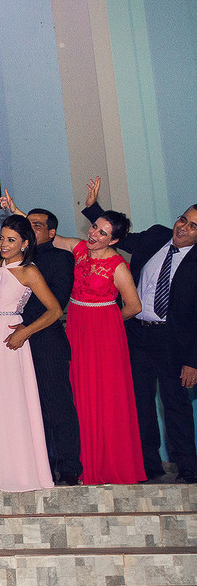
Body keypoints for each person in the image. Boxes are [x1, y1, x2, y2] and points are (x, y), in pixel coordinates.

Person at [4, 181, 145, 484]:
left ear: (115, 239)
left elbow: (133, 306)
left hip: (104, 329)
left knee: (105, 397)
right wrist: (15, 211)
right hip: (77, 326)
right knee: (79, 393)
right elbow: (41, 236)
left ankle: (107, 465)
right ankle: (86, 464)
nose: (94, 234)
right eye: (94, 227)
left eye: (102, 233)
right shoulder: (79, 249)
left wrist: (107, 322)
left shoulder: (118, 265)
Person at [81, 185, 196, 484]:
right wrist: (93, 208)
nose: (183, 227)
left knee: (175, 402)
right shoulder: (157, 235)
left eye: (192, 226)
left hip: (172, 342)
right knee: (139, 401)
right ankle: (148, 464)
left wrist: (193, 361)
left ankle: (187, 466)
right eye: (183, 219)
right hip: (135, 335)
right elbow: (121, 237)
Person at [0, 215, 61, 491]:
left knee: (10, 403)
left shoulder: (29, 271)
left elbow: (54, 310)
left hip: (9, 339)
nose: (4, 244)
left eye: (11, 240)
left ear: (25, 243)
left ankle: (16, 470)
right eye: (2, 238)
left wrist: (25, 331)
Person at [23, 207, 84, 485]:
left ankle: (70, 466)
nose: (30, 229)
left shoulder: (61, 258)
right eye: (27, 225)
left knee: (56, 406)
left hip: (46, 340)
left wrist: (22, 323)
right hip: (15, 342)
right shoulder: (13, 258)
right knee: (28, 407)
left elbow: (56, 302)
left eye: (36, 225)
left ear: (51, 233)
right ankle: (41, 463)